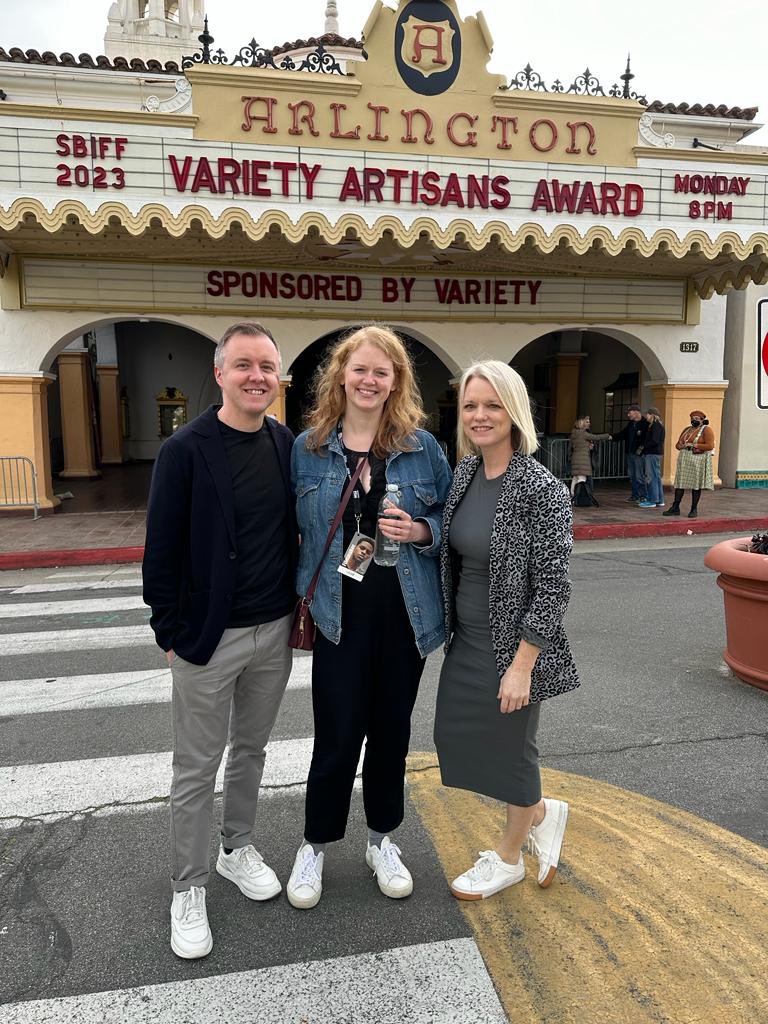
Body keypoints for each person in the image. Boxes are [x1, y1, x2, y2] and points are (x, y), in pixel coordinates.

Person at [143, 322, 297, 959]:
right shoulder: (185, 449)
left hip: (275, 630)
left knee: (252, 751)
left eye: (266, 366)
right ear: (220, 373)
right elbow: (162, 551)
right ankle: (189, 884)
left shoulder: (285, 442)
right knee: (195, 768)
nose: (257, 376)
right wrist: (171, 633)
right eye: (244, 365)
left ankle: (236, 848)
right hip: (208, 639)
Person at [287, 324, 452, 909]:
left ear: (396, 382)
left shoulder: (423, 449)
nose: (369, 379)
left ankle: (382, 840)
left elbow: (448, 523)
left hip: (404, 617)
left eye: (382, 371)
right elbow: (289, 532)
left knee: (390, 735)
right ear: (341, 375)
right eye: (360, 369)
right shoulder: (307, 448)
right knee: (335, 739)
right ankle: (315, 845)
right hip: (338, 616)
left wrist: (422, 530)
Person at [435, 361, 580, 900]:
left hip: (513, 647)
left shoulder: (541, 487)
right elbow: (456, 549)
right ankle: (542, 810)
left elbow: (554, 586)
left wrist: (523, 665)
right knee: (457, 738)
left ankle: (509, 856)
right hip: (466, 639)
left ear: (515, 411)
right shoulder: (464, 475)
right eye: (471, 406)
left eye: (493, 405)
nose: (480, 416)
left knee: (513, 752)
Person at [663, 410, 715, 518]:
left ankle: (693, 508)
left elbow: (709, 446)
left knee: (696, 485)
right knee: (680, 483)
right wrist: (680, 446)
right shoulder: (687, 430)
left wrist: (694, 445)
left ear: (702, 420)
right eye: (692, 418)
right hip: (684, 459)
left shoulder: (706, 430)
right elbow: (678, 444)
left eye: (697, 418)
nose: (694, 420)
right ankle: (675, 507)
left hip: (697, 460)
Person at [569, 415, 610, 505]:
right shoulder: (583, 433)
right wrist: (607, 436)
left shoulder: (574, 433)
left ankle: (572, 496)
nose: (588, 423)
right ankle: (578, 498)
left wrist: (588, 446)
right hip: (583, 459)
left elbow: (576, 445)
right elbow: (596, 437)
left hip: (576, 458)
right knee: (582, 479)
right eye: (586, 422)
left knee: (575, 478)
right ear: (582, 423)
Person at [611, 404, 648, 503]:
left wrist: (640, 450)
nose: (628, 415)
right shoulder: (631, 423)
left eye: (629, 413)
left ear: (636, 412)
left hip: (639, 455)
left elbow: (646, 439)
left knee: (639, 475)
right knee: (632, 476)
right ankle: (635, 495)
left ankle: (643, 495)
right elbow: (623, 434)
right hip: (630, 453)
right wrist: (611, 437)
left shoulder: (645, 423)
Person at [638, 408, 666, 509]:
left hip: (652, 454)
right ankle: (659, 500)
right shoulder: (657, 425)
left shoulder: (656, 426)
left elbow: (654, 440)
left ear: (652, 415)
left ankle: (653, 500)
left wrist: (644, 446)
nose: (646, 417)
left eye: (647, 415)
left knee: (651, 477)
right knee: (656, 477)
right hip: (655, 453)